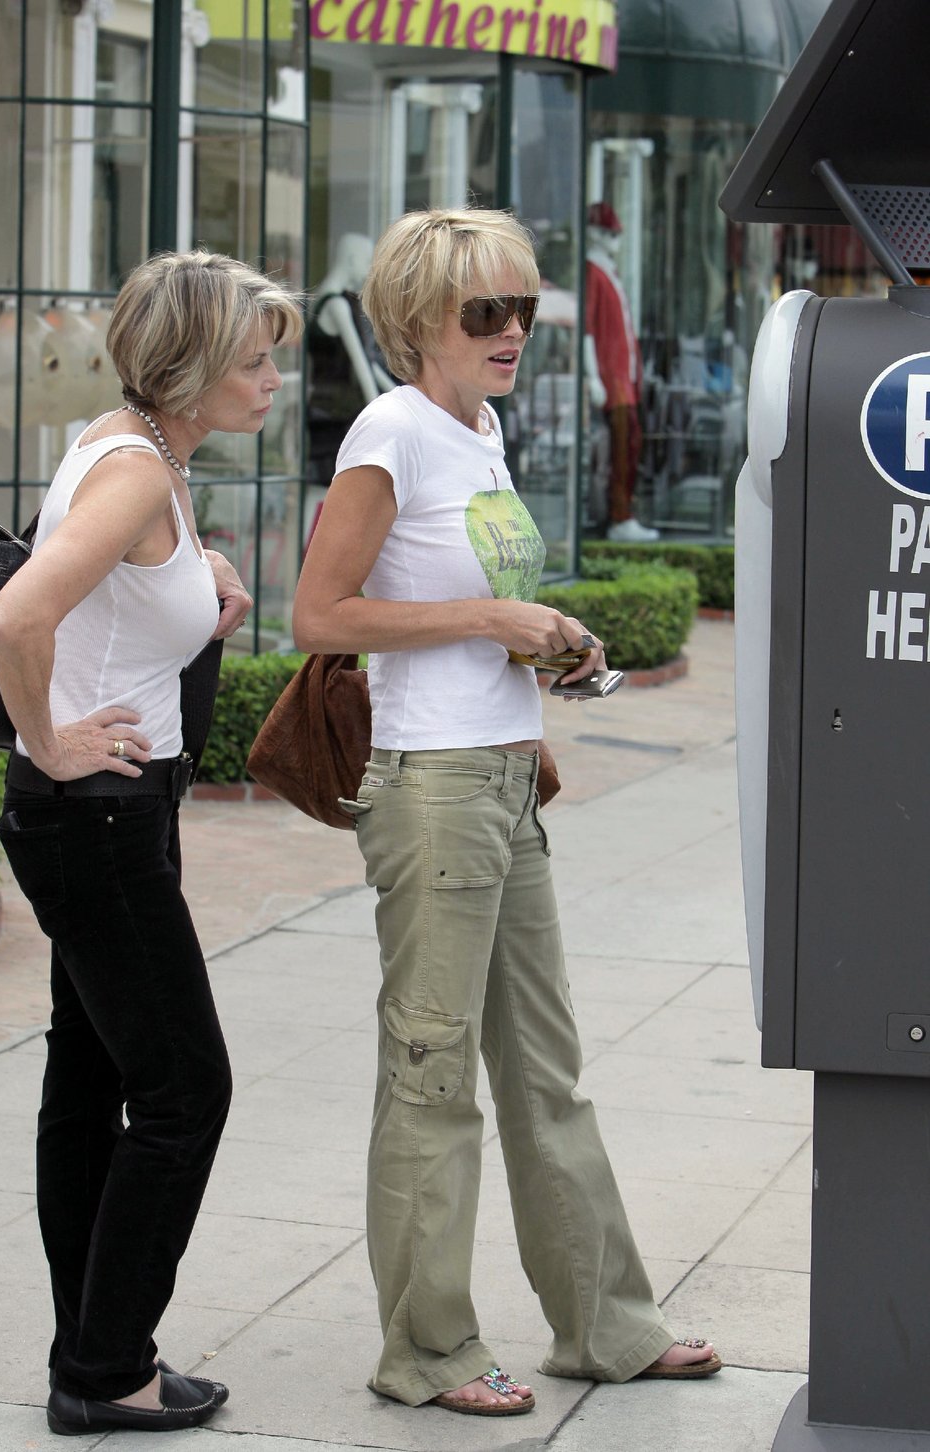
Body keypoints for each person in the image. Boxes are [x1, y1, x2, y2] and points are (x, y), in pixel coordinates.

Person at [291, 207, 720, 1416]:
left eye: (526, 308)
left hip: (499, 780)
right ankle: (424, 1350)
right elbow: (320, 616)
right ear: (417, 319)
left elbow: (484, 612)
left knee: (545, 1069)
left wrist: (556, 651)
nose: (516, 331)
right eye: (488, 312)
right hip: (429, 791)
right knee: (432, 1075)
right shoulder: (392, 431)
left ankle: (605, 1327)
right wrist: (490, 622)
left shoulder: (477, 434)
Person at [0, 250, 302, 1437]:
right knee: (186, 1092)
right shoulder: (130, 472)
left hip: (110, 817)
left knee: (93, 1079)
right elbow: (20, 613)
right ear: (192, 368)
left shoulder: (139, 450)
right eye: (256, 358)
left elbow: (105, 624)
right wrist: (50, 743)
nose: (273, 377)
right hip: (97, 820)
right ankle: (105, 1366)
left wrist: (200, 601)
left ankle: (94, 1352)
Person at [584, 202, 659, 542]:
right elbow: (587, 329)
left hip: (622, 378)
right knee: (620, 449)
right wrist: (593, 377)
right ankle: (619, 515)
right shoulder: (593, 273)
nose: (615, 240)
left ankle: (622, 512)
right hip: (611, 378)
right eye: (610, 234)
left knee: (629, 445)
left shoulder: (606, 273)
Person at [306, 232, 395, 484]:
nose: (369, 271)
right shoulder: (336, 305)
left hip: (328, 408)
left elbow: (366, 363)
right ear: (352, 259)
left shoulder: (326, 301)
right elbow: (362, 364)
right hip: (335, 412)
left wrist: (400, 398)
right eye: (367, 261)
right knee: (336, 484)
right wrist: (383, 412)